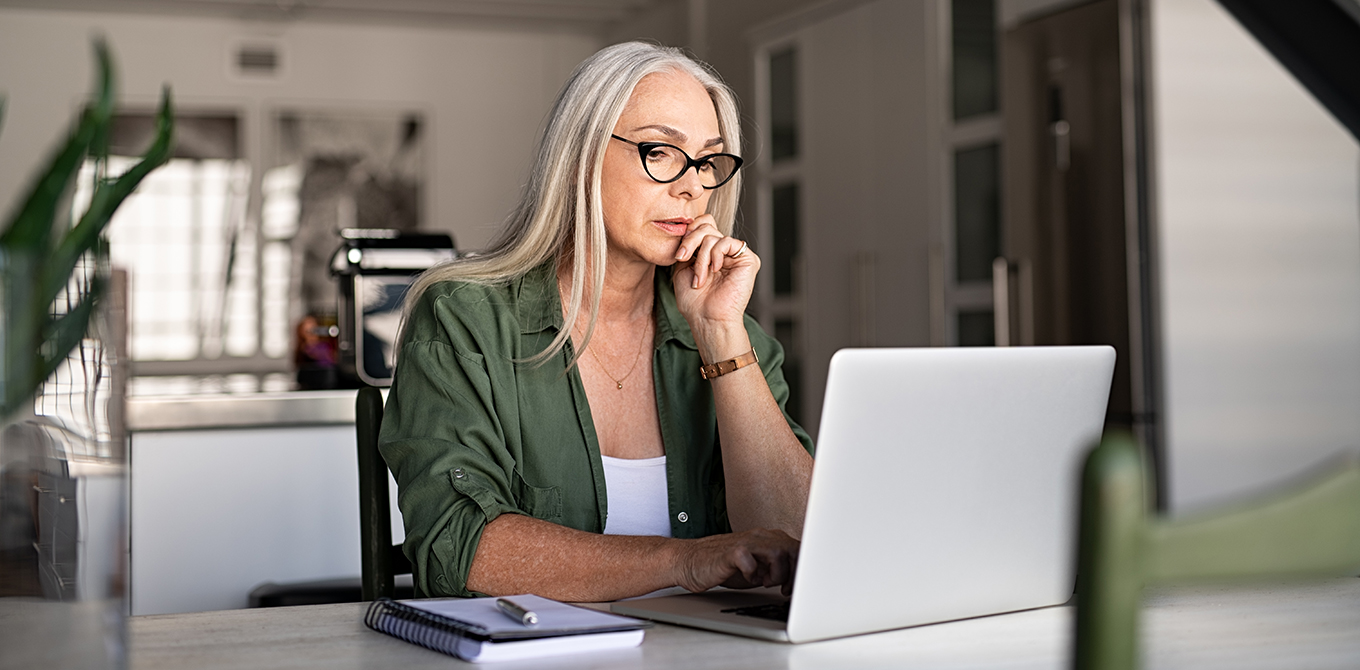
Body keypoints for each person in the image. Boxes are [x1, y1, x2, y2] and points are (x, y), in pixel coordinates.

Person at [380, 41, 814, 602]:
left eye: (708, 161)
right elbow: (459, 550)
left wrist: (720, 336)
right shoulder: (465, 319)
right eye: (660, 151)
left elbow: (803, 546)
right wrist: (686, 560)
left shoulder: (734, 338)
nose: (693, 186)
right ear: (582, 155)